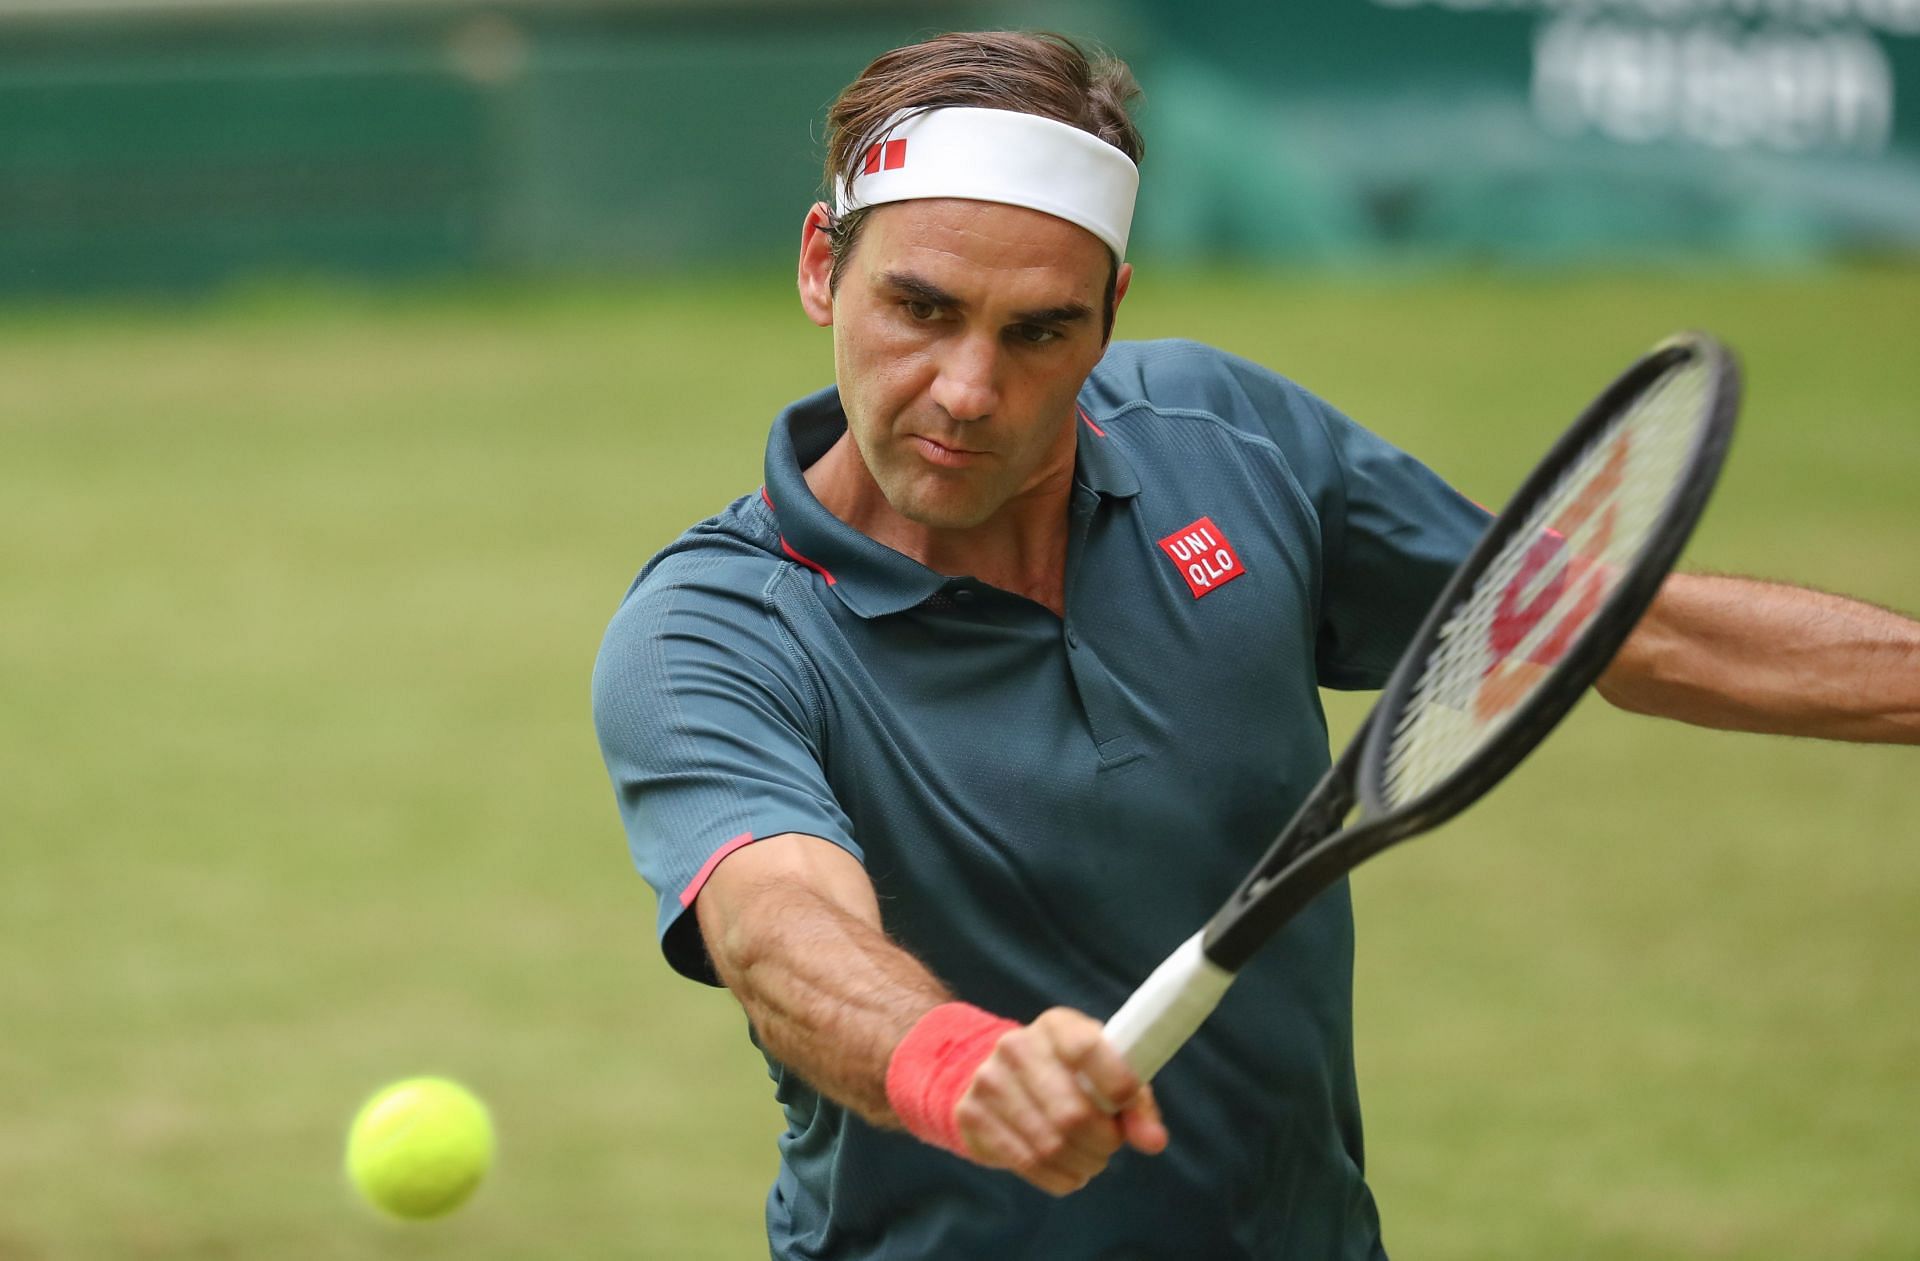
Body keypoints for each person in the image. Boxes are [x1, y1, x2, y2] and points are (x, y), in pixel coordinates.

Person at [592, 31, 1919, 1260]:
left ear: (1109, 309)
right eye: (921, 309)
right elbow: (783, 928)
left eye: (1038, 330)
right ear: (823, 264)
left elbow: (1626, 630)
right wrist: (955, 1062)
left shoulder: (1231, 441)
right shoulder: (710, 630)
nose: (967, 390)